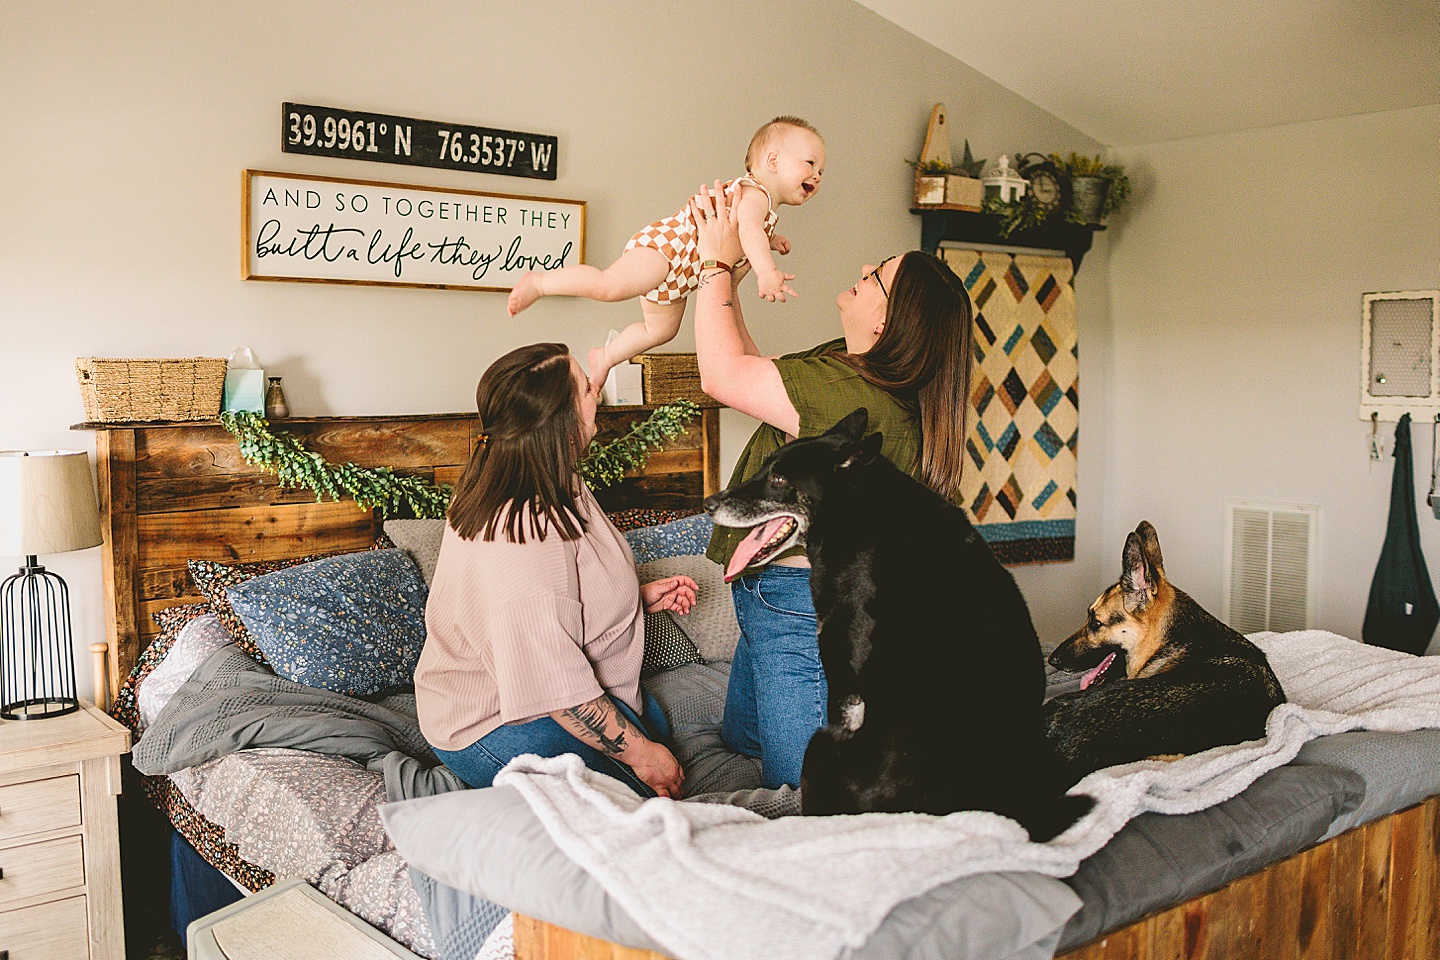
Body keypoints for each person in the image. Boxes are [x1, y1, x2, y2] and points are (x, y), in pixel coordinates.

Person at [687, 182, 976, 789]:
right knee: (741, 736)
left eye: (879, 279)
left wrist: (712, 262)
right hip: (787, 591)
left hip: (795, 604)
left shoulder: (852, 392)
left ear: (888, 318)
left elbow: (718, 375)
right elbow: (752, 377)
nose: (864, 271)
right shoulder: (865, 379)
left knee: (805, 789)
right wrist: (732, 283)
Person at [414, 342, 698, 798]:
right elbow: (551, 679)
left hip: (546, 685)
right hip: (496, 720)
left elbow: (554, 594)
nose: (597, 394)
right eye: (586, 388)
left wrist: (634, 599)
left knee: (658, 732)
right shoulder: (522, 527)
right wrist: (642, 755)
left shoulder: (544, 474)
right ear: (561, 422)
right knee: (655, 801)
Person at [506, 117, 826, 390]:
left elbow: (747, 230)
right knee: (609, 286)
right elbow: (748, 230)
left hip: (682, 280)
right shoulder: (755, 194)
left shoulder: (762, 207)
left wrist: (772, 239)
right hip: (668, 250)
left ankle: (606, 356)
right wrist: (767, 271)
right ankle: (541, 283)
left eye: (821, 170)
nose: (817, 175)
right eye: (810, 163)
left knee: (660, 332)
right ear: (773, 162)